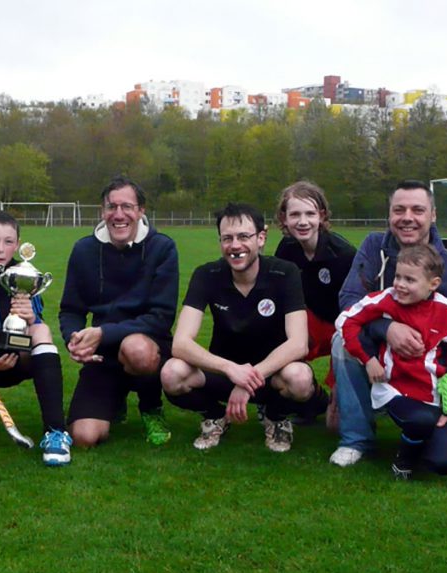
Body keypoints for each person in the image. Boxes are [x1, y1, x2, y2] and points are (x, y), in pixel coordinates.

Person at [328, 180, 447, 469]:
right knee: (342, 341)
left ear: (433, 215)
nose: (407, 217)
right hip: (383, 362)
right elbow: (349, 300)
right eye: (399, 210)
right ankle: (356, 439)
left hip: (432, 371)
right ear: (389, 214)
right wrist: (386, 328)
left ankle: (430, 430)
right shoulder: (374, 247)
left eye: (417, 210)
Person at [161, 203, 325, 451]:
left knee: (300, 378)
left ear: (261, 238)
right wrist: (230, 369)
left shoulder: (285, 273)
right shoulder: (206, 274)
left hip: (272, 375)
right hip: (224, 374)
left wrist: (249, 378)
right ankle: (215, 416)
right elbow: (181, 344)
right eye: (227, 238)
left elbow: (298, 344)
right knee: (172, 373)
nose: (235, 245)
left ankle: (275, 417)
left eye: (244, 237)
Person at [337, 245, 447, 479]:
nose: (400, 284)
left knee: (446, 464)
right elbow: (346, 320)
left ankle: (420, 444)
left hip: (432, 395)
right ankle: (404, 460)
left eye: (410, 280)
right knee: (421, 420)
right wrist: (368, 359)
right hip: (394, 390)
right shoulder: (386, 299)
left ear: (433, 284)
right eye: (398, 276)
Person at [59, 176, 178, 447]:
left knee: (136, 349)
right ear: (103, 211)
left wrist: (103, 332)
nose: (119, 214)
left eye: (127, 207)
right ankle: (115, 401)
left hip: (147, 346)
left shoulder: (162, 247)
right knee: (84, 437)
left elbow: (161, 318)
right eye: (111, 207)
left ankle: (151, 407)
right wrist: (74, 338)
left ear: (141, 211)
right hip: (103, 353)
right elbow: (70, 309)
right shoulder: (84, 250)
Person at [0, 210, 72, 466]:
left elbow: (37, 326)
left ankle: (55, 432)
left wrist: (31, 318)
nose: (0, 249)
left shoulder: (25, 277)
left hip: (19, 357)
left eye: (8, 242)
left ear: (17, 245)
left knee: (41, 331)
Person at [273, 181, 356, 427]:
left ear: (321, 215)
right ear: (284, 218)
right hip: (308, 321)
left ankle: (355, 399)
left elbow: (355, 314)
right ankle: (310, 401)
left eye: (309, 214)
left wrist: (338, 384)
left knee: (336, 425)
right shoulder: (286, 249)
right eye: (295, 214)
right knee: (275, 338)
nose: (303, 222)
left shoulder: (343, 254)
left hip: (341, 327)